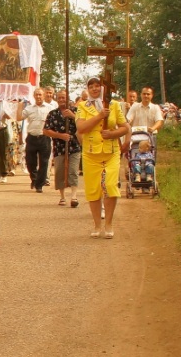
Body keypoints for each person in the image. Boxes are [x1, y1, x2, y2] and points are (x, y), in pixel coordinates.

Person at [77, 76, 129, 239]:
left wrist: (113, 133)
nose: (94, 88)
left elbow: (125, 127)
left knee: (110, 185)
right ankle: (97, 225)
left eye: (97, 85)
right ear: (87, 89)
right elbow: (81, 128)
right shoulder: (82, 106)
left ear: (103, 88)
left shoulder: (114, 105)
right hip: (91, 153)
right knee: (93, 189)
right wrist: (99, 116)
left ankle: (108, 223)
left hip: (111, 151)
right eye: (91, 86)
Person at [43, 89, 81, 208]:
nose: (61, 100)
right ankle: (62, 196)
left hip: (74, 146)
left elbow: (83, 125)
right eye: (59, 98)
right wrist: (60, 136)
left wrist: (73, 116)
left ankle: (74, 196)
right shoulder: (52, 114)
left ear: (67, 98)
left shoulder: (76, 111)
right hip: (59, 147)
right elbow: (46, 130)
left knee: (73, 171)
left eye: (63, 97)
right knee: (59, 171)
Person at [15, 88, 52, 193]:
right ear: (34, 96)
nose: (39, 97)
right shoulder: (29, 108)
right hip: (32, 137)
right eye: (36, 95)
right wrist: (19, 106)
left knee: (44, 162)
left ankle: (39, 184)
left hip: (44, 137)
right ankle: (34, 179)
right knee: (30, 162)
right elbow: (19, 118)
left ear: (43, 95)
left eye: (40, 95)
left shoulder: (49, 108)